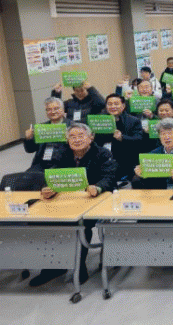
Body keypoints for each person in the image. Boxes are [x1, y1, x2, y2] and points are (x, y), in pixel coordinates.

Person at [30, 123, 117, 287]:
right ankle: (53, 267)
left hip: (95, 200)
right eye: (72, 136)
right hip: (67, 200)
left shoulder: (102, 153)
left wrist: (98, 187)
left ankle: (79, 265)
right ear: (67, 139)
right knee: (47, 222)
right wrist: (49, 189)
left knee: (81, 224)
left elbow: (109, 177)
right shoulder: (62, 153)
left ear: (90, 138)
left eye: (81, 136)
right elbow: (52, 175)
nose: (77, 140)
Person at [94, 94, 144, 181]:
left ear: (123, 106)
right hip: (103, 159)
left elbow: (139, 140)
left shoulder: (133, 121)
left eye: (116, 104)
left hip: (125, 159)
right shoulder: (98, 120)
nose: (113, 106)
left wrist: (122, 137)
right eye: (110, 104)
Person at [23, 97, 70, 172]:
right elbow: (30, 149)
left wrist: (70, 141)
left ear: (63, 110)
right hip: (42, 163)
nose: (53, 112)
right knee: (26, 177)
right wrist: (28, 138)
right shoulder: (41, 127)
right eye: (49, 109)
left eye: (56, 108)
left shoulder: (73, 126)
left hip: (64, 163)